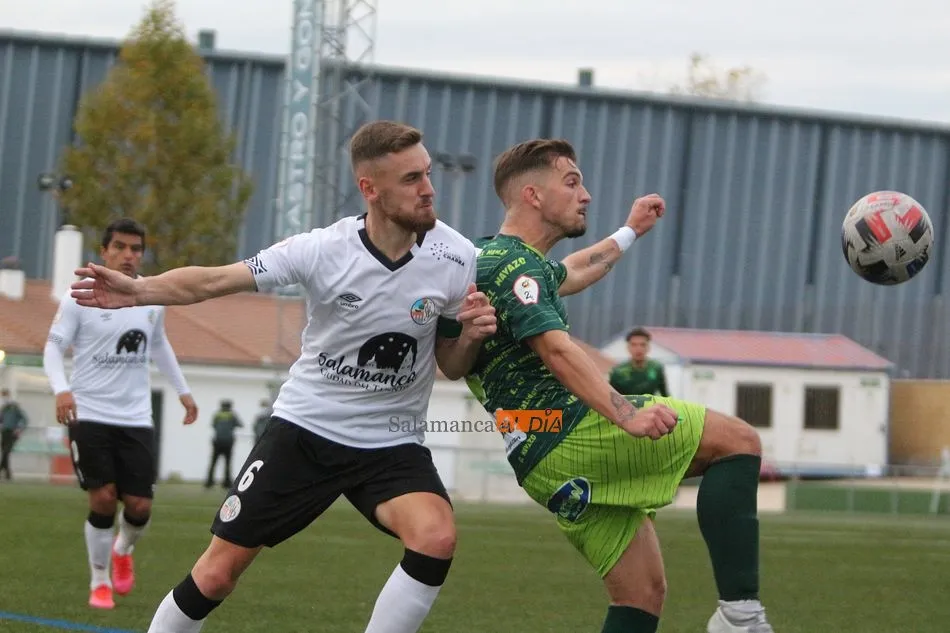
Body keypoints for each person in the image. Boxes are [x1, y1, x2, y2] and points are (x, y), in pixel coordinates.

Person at [69, 120, 497, 633]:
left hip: (391, 443)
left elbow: (451, 365)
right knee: (217, 575)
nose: (428, 189)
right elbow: (218, 279)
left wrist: (470, 338)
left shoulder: (456, 256)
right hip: (306, 432)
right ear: (370, 189)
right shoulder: (322, 249)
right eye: (411, 179)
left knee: (436, 538)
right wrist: (140, 291)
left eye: (427, 173)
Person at [459, 139, 774, 633]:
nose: (585, 194)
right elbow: (557, 350)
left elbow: (575, 270)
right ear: (532, 195)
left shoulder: (501, 260)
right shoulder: (513, 265)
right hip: (573, 430)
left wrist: (631, 231)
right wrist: (627, 414)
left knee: (641, 594)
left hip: (539, 459)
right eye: (571, 182)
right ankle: (741, 617)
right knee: (738, 442)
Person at [43, 218, 199, 610]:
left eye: (136, 249)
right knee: (103, 498)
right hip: (89, 413)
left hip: (135, 417)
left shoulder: (151, 297)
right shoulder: (80, 296)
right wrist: (61, 389)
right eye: (120, 247)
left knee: (140, 506)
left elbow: (158, 344)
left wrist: (183, 391)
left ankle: (123, 549)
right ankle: (99, 581)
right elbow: (53, 348)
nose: (129, 255)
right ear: (104, 252)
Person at [608, 327, 669, 396]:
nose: (638, 349)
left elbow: (665, 396)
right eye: (634, 345)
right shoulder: (618, 372)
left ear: (648, 347)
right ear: (628, 347)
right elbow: (610, 396)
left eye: (643, 345)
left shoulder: (656, 368)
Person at [205, 400, 242, 490]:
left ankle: (209, 482)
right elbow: (240, 425)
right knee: (227, 463)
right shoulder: (232, 415)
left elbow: (213, 425)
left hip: (217, 441)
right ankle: (226, 483)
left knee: (213, 462)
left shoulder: (217, 415)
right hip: (228, 441)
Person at [0, 387, 29, 480]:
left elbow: (24, 419)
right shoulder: (3, 408)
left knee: (6, 451)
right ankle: (8, 474)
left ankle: (4, 471)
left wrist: (19, 429)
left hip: (12, 432)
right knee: (5, 452)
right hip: (4, 432)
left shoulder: (14, 407)